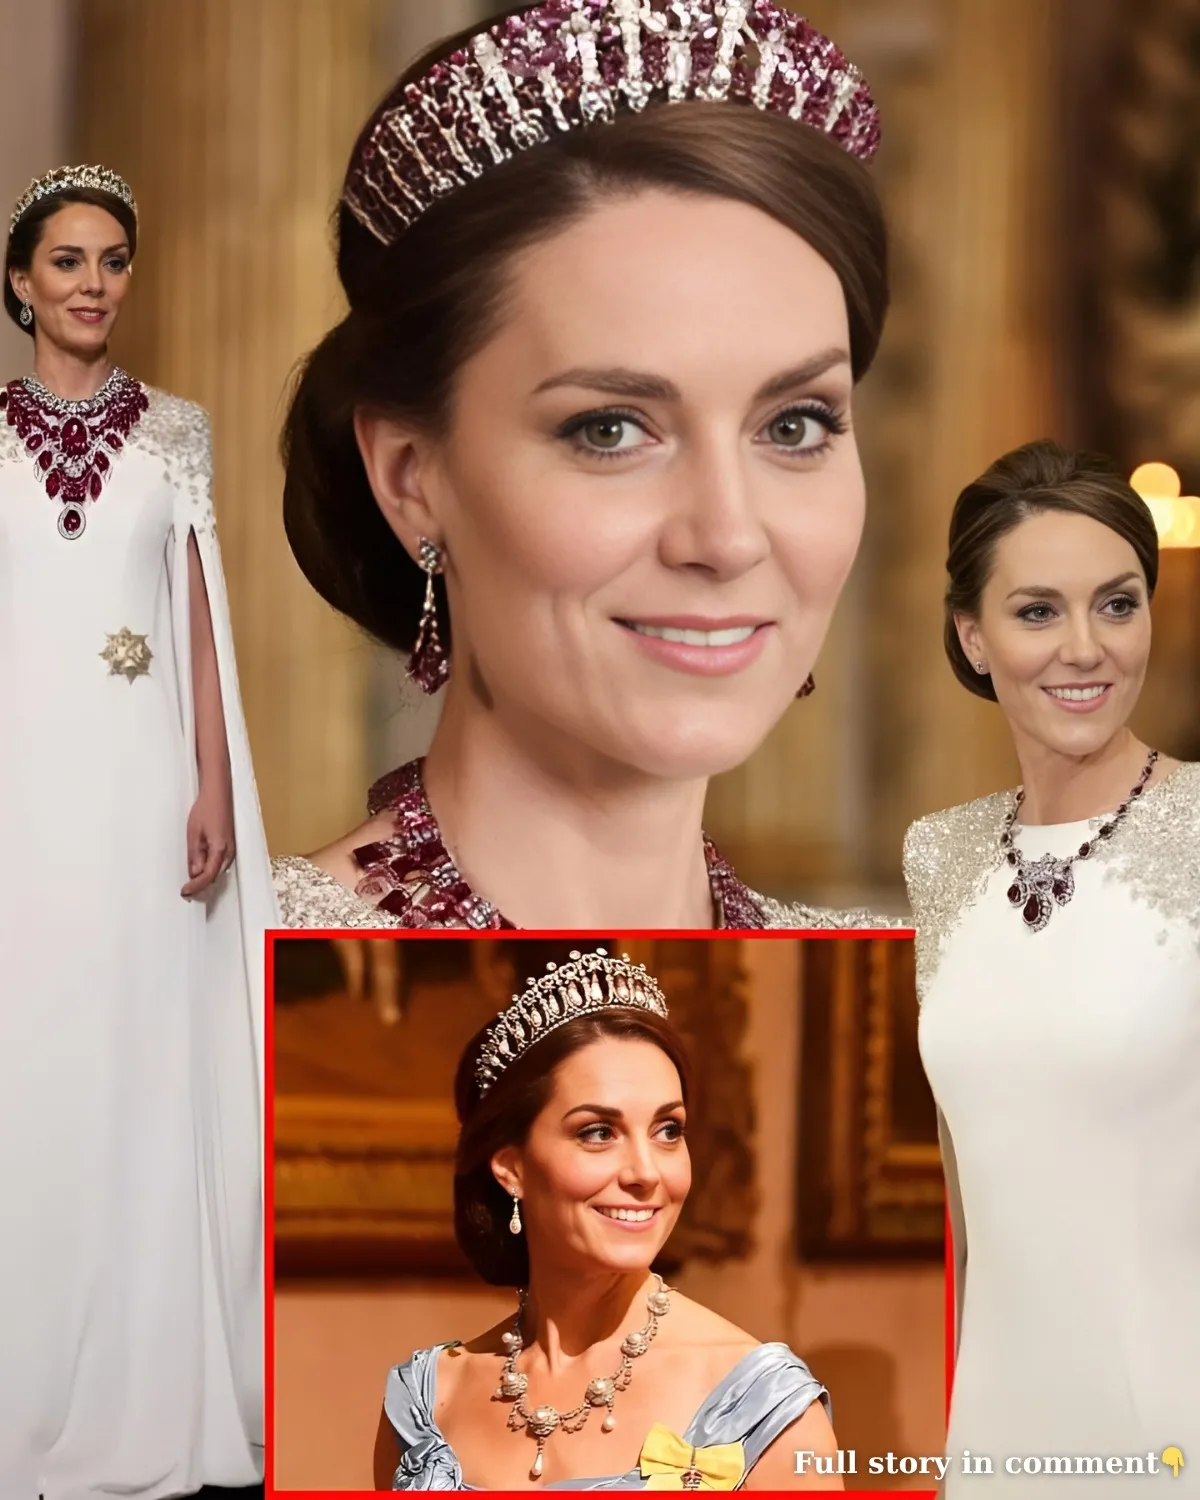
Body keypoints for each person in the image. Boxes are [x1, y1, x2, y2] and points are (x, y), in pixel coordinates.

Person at [272, 0, 893, 930]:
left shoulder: (930, 1017)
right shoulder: (210, 997)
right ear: (411, 477)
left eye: (795, 425)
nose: (727, 537)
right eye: (610, 430)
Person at [0, 165, 272, 1497]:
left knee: (136, 1055)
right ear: (19, 282)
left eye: (111, 260)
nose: (93, 282)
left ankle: (143, 1377)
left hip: (137, 778)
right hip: (19, 788)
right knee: (30, 1055)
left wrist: (210, 779)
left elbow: (197, 614)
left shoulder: (179, 433)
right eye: (67, 260)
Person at [903, 440, 1200, 1495]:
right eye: (1038, 612)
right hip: (1002, 1434)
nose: (1087, 649)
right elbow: (966, 1186)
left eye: (1117, 605)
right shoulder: (936, 856)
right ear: (972, 637)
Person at [374, 947, 841, 1491]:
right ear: (511, 1168)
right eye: (598, 1132)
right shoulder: (426, 1404)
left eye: (668, 1131)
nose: (646, 1172)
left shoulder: (766, 1413)